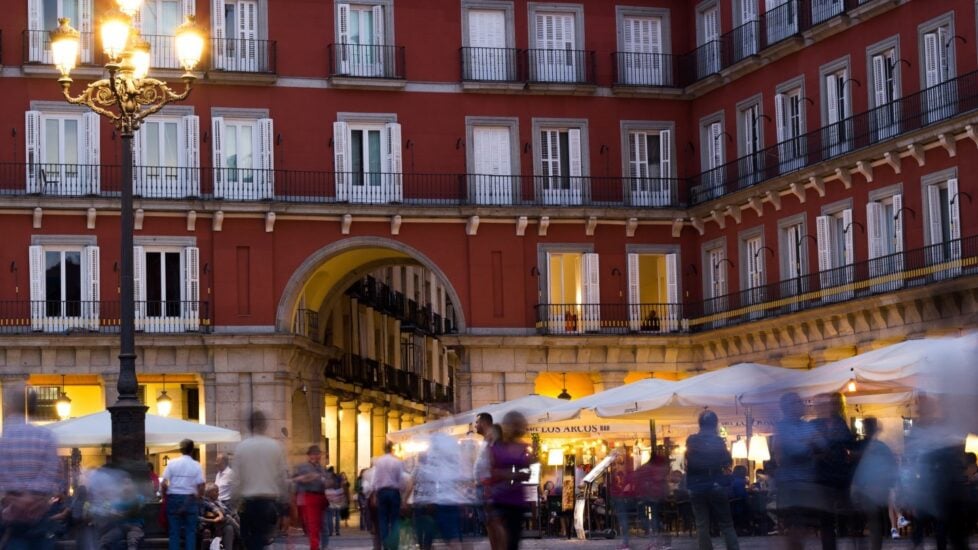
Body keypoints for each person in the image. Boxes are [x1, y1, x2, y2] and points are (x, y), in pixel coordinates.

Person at [0, 388, 62, 549]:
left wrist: (19, 497)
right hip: (39, 509)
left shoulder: (5, 438)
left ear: (11, 407)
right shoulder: (47, 436)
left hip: (14, 511)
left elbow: (3, 473)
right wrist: (34, 497)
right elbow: (51, 471)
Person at [233, 410, 289, 550]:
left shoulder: (241, 447)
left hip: (248, 504)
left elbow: (236, 480)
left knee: (250, 541)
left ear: (249, 426)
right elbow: (282, 479)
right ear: (265, 425)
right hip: (269, 504)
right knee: (263, 539)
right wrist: (285, 509)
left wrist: (233, 503)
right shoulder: (275, 447)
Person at [685, 410, 739, 550]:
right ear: (715, 424)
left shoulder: (691, 440)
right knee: (726, 524)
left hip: (696, 486)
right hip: (715, 484)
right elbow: (727, 462)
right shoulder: (718, 441)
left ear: (700, 424)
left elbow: (688, 461)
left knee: (702, 524)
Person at [774, 392, 819, 550]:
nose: (801, 405)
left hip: (806, 481)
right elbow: (792, 451)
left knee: (803, 524)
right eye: (796, 403)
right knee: (795, 523)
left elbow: (821, 444)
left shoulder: (806, 425)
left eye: (800, 402)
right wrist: (807, 442)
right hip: (791, 483)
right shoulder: (782, 427)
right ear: (787, 407)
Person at [811, 392, 855, 550]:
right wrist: (819, 455)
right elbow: (809, 449)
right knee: (826, 518)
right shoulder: (814, 424)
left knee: (846, 513)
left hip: (840, 474)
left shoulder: (839, 422)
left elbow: (850, 443)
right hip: (823, 476)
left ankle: (850, 541)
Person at [411, 432, 468, 550]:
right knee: (452, 537)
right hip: (449, 502)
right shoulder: (452, 463)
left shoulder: (434, 465)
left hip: (442, 503)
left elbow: (430, 482)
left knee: (450, 538)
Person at [850, 417, 897, 550]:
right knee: (873, 521)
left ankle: (870, 546)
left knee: (869, 520)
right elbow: (891, 467)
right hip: (872, 489)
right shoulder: (881, 447)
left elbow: (854, 466)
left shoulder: (860, 445)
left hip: (865, 488)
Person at [488, 411, 533, 550]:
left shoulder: (525, 448)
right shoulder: (496, 447)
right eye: (513, 424)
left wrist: (513, 475)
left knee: (513, 541)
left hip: (516, 499)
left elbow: (528, 472)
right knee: (501, 541)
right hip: (499, 498)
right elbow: (490, 471)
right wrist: (507, 475)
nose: (516, 428)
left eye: (518, 425)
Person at [162, 439, 206, 550]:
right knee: (190, 532)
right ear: (192, 450)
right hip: (190, 499)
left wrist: (164, 496)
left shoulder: (172, 463)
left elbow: (163, 483)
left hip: (173, 498)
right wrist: (198, 496)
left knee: (174, 532)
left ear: (180, 449)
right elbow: (201, 485)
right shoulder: (196, 465)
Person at [293, 445, 331, 550]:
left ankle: (324, 546)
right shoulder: (303, 467)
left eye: (318, 454)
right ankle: (315, 546)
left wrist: (327, 482)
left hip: (321, 497)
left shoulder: (322, 468)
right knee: (312, 524)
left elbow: (328, 482)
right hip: (308, 496)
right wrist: (307, 478)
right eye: (314, 454)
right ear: (309, 455)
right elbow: (295, 480)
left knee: (323, 524)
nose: (317, 456)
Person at [372, 441, 405, 550]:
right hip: (394, 491)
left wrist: (375, 494)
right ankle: (394, 544)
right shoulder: (397, 461)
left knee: (383, 519)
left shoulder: (379, 462)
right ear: (392, 449)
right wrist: (402, 493)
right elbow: (401, 479)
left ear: (383, 449)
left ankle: (385, 544)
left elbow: (375, 479)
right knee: (395, 519)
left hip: (382, 492)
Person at [201, 483, 238, 550]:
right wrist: (222, 514)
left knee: (229, 527)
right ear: (210, 493)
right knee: (228, 518)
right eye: (216, 491)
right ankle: (243, 535)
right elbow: (218, 512)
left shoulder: (218, 501)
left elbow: (226, 511)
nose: (218, 493)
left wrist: (231, 514)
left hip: (222, 523)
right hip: (213, 524)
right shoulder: (206, 501)